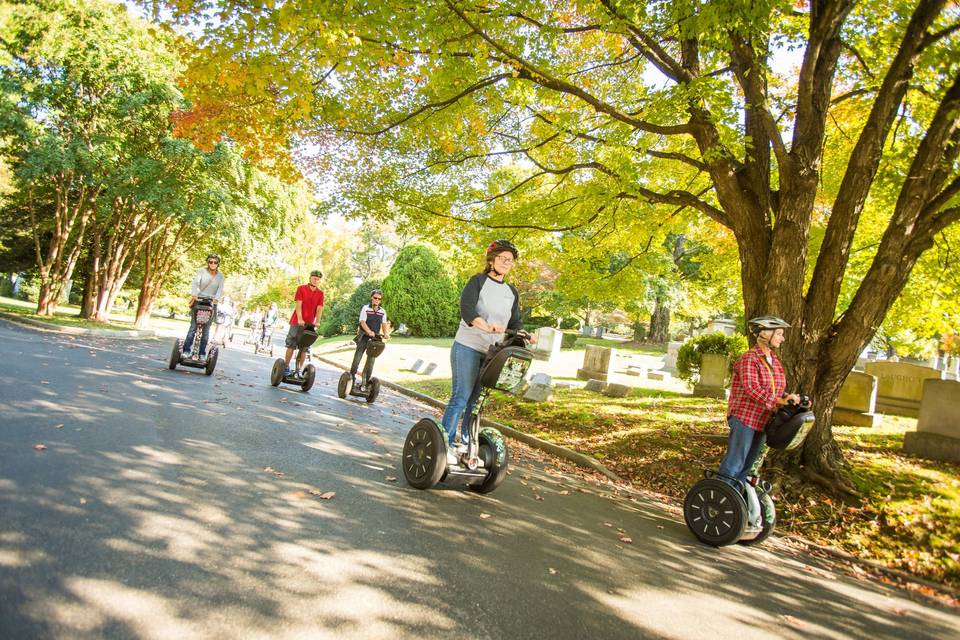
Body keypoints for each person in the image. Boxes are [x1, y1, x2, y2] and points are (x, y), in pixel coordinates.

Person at [439, 240, 534, 465]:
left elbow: (515, 320)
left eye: (510, 260)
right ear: (491, 260)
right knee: (461, 396)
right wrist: (484, 324)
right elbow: (467, 309)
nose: (506, 263)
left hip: (492, 353)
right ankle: (446, 443)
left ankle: (467, 445)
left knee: (476, 401)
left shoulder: (511, 292)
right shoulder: (478, 281)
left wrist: (525, 334)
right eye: (502, 258)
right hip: (467, 345)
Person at [717, 315, 800, 485]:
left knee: (747, 467)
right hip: (745, 419)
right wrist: (780, 401)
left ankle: (734, 506)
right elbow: (752, 389)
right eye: (779, 334)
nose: (782, 338)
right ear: (764, 333)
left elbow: (776, 389)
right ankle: (717, 502)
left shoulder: (774, 360)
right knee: (735, 464)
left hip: (763, 420)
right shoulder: (750, 358)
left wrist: (788, 398)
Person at [183, 253, 225, 358]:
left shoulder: (220, 276)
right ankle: (186, 351)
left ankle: (202, 353)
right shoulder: (201, 271)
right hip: (199, 299)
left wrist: (217, 298)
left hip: (212, 302)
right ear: (208, 262)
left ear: (218, 263)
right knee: (193, 327)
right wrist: (194, 293)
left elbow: (220, 289)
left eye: (215, 262)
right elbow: (195, 283)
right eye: (210, 262)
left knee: (206, 330)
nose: (213, 264)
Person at [282, 270, 324, 375]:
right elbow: (298, 304)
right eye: (314, 278)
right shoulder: (301, 289)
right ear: (310, 278)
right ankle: (286, 366)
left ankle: (299, 370)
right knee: (292, 344)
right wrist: (300, 318)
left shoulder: (320, 293)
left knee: (305, 347)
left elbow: (319, 309)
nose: (316, 280)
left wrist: (317, 321)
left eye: (318, 279)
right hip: (297, 321)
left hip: (309, 324)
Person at [350, 289, 391, 384]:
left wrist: (386, 333)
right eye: (375, 298)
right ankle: (351, 377)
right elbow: (362, 322)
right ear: (371, 298)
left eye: (379, 299)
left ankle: (365, 381)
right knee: (357, 358)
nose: (377, 300)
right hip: (364, 336)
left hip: (375, 339)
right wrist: (368, 331)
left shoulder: (382, 311)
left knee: (371, 361)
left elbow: (384, 324)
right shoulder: (365, 308)